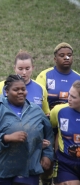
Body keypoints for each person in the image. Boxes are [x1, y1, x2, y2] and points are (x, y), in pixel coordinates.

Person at [0, 74, 54, 185]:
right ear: (6, 91)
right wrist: (7, 138)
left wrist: (47, 155)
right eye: (16, 89)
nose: (20, 92)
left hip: (29, 168)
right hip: (3, 168)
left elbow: (49, 134)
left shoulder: (36, 111)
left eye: (23, 89)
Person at [36, 42, 80, 185]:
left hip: (69, 122)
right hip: (51, 121)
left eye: (69, 55)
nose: (66, 57)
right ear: (55, 58)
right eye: (62, 55)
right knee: (48, 159)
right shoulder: (45, 75)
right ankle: (48, 179)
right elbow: (38, 100)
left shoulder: (78, 78)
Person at [0, 50, 50, 116]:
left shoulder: (41, 88)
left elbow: (46, 113)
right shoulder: (1, 87)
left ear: (32, 68)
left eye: (27, 68)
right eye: (20, 69)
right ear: (15, 68)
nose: (24, 72)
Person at [50, 80, 80, 185]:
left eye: (73, 97)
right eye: (69, 94)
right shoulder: (59, 111)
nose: (69, 99)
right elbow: (51, 130)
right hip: (66, 163)